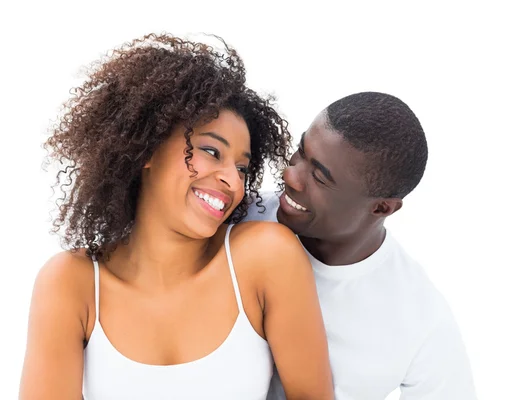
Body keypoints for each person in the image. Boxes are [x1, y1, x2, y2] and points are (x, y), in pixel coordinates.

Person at [19, 34, 333, 400]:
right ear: (147, 149)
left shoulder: (264, 258)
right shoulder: (71, 284)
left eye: (243, 168)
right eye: (211, 151)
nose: (232, 181)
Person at [245, 92, 477, 399]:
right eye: (301, 151)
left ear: (381, 208)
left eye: (319, 177)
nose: (291, 175)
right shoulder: (238, 216)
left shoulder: (420, 318)